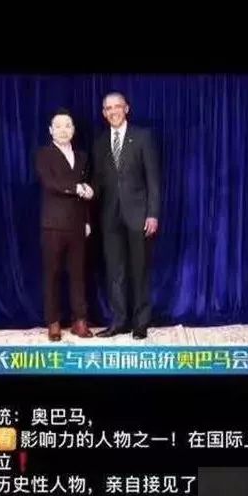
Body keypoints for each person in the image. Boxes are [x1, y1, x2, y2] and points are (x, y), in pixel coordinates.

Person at [93, 93, 160, 339]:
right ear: (104, 113)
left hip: (138, 215)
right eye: (108, 108)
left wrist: (153, 214)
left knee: (139, 270)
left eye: (117, 107)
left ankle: (140, 323)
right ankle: (119, 321)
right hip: (110, 217)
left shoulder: (142, 137)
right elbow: (98, 181)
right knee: (115, 272)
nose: (113, 111)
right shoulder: (100, 143)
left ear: (126, 108)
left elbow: (153, 179)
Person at [36, 110, 94, 341]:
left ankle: (80, 321)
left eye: (67, 125)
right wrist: (76, 188)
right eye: (58, 126)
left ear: (73, 130)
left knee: (78, 274)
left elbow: (86, 191)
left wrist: (87, 219)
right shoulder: (43, 154)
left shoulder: (82, 157)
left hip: (78, 224)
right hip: (53, 224)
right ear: (51, 130)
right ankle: (54, 323)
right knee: (52, 274)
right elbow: (50, 183)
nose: (63, 130)